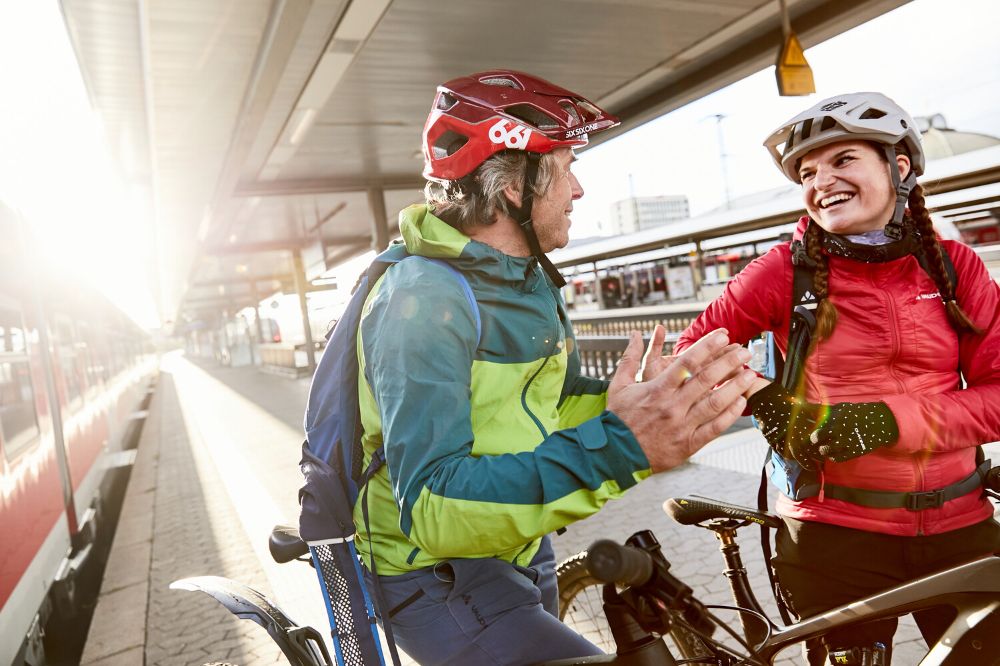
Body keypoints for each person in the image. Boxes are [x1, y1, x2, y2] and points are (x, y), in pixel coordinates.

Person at [351, 69, 756, 665]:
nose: (580, 190)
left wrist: (646, 403)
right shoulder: (423, 299)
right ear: (514, 188)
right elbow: (431, 509)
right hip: (436, 577)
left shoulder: (528, 283)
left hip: (517, 547)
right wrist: (624, 446)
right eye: (566, 170)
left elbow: (550, 403)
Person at [676, 92, 1000, 663]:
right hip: (836, 535)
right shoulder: (781, 271)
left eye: (842, 159)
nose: (821, 179)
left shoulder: (954, 267)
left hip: (962, 528)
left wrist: (885, 421)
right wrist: (767, 400)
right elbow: (687, 359)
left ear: (898, 169)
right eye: (807, 171)